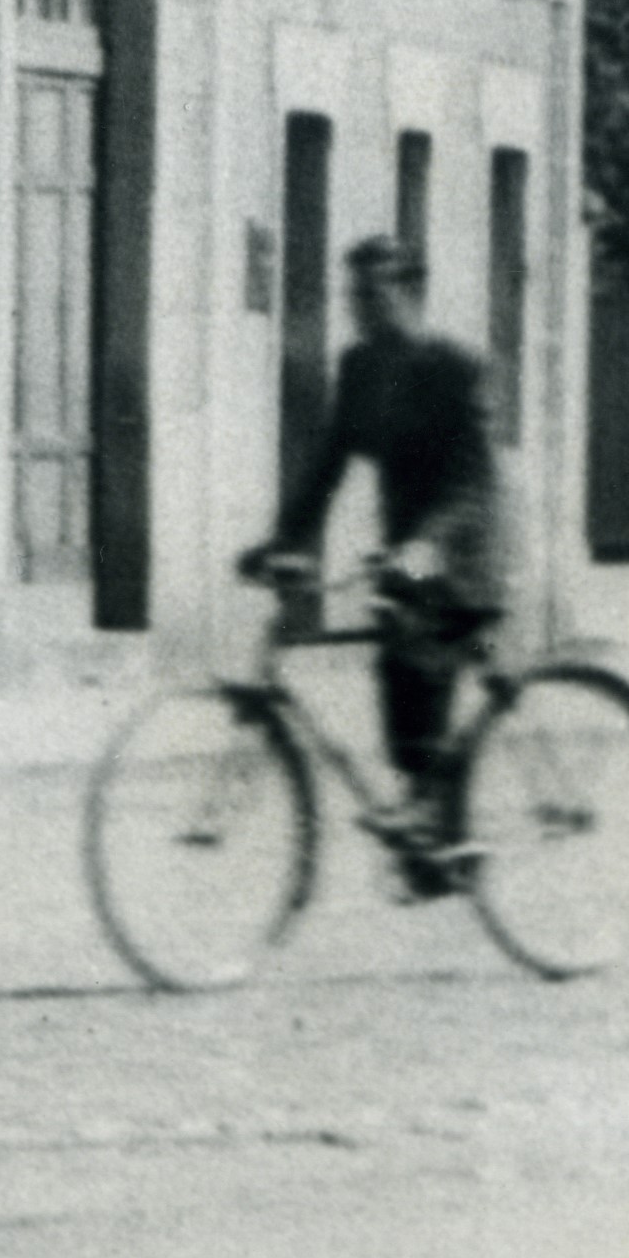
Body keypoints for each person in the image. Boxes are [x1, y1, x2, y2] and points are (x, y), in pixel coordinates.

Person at [241, 230, 507, 893]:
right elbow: (326, 468)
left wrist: (423, 547)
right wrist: (282, 540)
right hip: (404, 557)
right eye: (350, 294)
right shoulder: (359, 369)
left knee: (417, 650)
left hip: (463, 550)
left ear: (407, 293)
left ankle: (441, 832)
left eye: (371, 293)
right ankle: (432, 840)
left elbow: (473, 485)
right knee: (398, 686)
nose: (357, 307)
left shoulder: (454, 367)